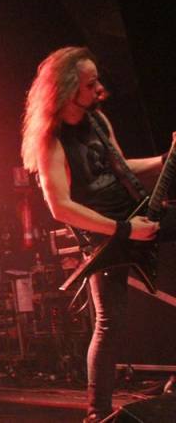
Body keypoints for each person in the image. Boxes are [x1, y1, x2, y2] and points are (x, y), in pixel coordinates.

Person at [21, 46, 175, 421]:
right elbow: (60, 208)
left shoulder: (98, 121)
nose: (99, 89)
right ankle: (97, 413)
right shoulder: (51, 141)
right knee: (109, 323)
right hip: (105, 236)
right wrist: (124, 230)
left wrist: (164, 160)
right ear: (67, 87)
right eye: (90, 84)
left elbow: (122, 168)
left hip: (134, 218)